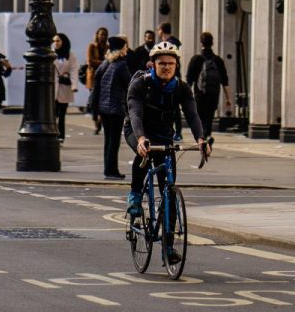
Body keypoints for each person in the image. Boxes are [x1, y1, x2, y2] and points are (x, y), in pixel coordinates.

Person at [122, 39, 211, 266]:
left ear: (176, 66)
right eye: (162, 63)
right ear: (153, 64)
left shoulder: (181, 88)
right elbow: (135, 114)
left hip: (164, 135)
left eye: (171, 64)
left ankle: (168, 247)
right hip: (137, 129)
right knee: (143, 155)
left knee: (168, 192)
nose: (166, 67)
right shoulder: (140, 85)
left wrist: (200, 139)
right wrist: (141, 138)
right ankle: (134, 196)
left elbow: (192, 115)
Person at [90, 36, 133, 179]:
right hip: (115, 108)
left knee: (108, 140)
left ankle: (108, 168)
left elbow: (96, 86)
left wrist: (95, 109)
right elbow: (130, 84)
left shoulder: (105, 63)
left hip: (104, 108)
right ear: (121, 49)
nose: (127, 49)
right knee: (114, 141)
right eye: (125, 47)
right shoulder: (121, 65)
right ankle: (111, 170)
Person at [185, 32, 228, 137]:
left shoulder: (195, 59)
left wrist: (186, 96)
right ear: (212, 43)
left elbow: (189, 80)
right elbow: (225, 81)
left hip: (200, 94)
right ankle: (207, 135)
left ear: (201, 43)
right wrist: (228, 98)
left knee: (200, 116)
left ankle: (202, 137)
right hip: (213, 93)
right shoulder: (218, 60)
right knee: (209, 117)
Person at [84, 27, 110, 133]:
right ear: (97, 35)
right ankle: (96, 122)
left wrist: (101, 63)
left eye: (105, 34)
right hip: (93, 77)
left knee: (102, 101)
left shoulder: (108, 47)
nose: (103, 36)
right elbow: (90, 61)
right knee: (94, 101)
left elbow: (110, 61)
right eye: (101, 34)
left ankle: (100, 121)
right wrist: (104, 63)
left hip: (105, 77)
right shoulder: (92, 46)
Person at [53, 33, 75, 141]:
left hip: (64, 86)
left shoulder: (70, 55)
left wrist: (74, 85)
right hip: (52, 87)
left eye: (58, 41)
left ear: (63, 42)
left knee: (62, 114)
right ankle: (53, 133)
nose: (56, 43)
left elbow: (74, 70)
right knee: (52, 113)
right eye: (54, 41)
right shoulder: (51, 54)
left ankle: (61, 135)